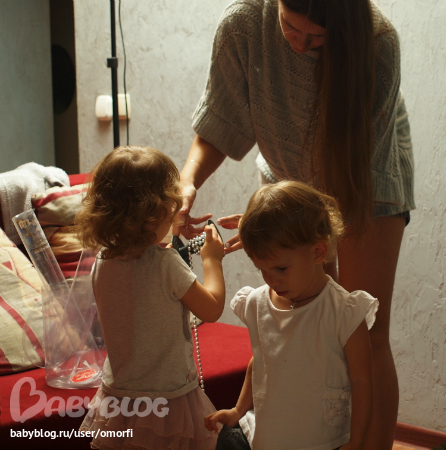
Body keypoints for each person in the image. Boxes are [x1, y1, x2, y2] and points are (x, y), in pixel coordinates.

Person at [178, 0, 415, 447]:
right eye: (290, 26)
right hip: (286, 179)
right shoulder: (243, 24)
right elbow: (220, 119)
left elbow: (350, 167)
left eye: (317, 38)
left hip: (365, 181)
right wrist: (187, 181)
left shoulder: (377, 43)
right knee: (301, 321)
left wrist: (290, 223)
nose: (300, 45)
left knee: (363, 331)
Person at [204, 181, 378, 450]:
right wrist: (238, 410)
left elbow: (362, 381)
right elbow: (258, 363)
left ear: (318, 252)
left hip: (323, 442)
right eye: (262, 270)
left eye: (281, 269)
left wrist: (356, 443)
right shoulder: (257, 303)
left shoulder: (344, 311)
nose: (271, 280)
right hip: (267, 437)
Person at [75, 146, 226, 450]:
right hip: (168, 398)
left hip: (119, 396)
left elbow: (141, 272)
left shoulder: (102, 260)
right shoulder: (166, 264)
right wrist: (212, 260)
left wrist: (168, 228)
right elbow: (211, 309)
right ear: (158, 212)